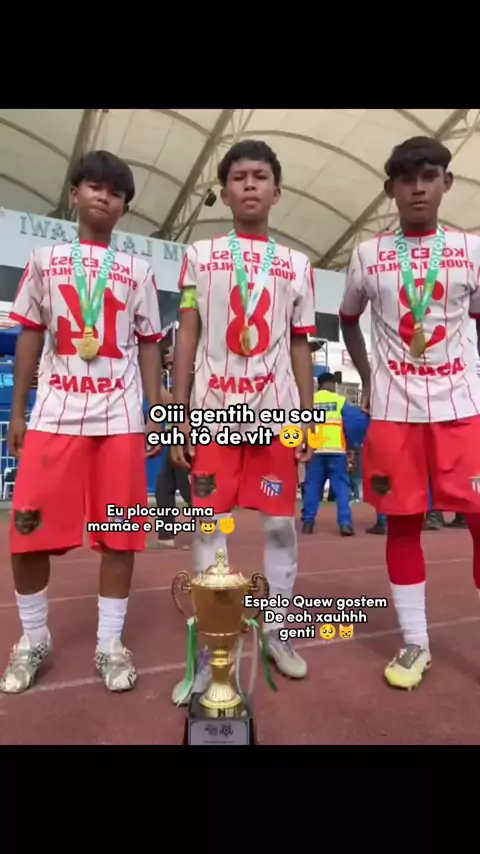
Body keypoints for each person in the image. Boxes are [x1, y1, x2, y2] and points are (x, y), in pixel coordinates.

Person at [2, 150, 165, 695]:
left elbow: (149, 345)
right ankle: (33, 639)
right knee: (27, 534)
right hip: (55, 415)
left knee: (120, 536)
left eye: (115, 192)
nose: (104, 197)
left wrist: (155, 413)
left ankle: (109, 643)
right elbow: (30, 333)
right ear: (74, 194)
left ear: (124, 208)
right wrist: (19, 411)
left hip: (119, 420)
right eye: (95, 187)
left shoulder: (139, 270)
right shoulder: (44, 260)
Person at [170, 139, 316, 703]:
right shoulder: (199, 255)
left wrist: (306, 419)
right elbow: (187, 335)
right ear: (224, 192)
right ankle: (214, 645)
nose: (250, 184)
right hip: (213, 414)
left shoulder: (298, 265)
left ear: (277, 192)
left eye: (260, 176)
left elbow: (300, 345)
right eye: (238, 176)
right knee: (210, 527)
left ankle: (277, 631)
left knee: (279, 526)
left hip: (275, 417)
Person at [340, 135, 480, 690]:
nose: (418, 188)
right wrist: (370, 377)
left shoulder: (471, 249)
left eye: (428, 177)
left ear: (447, 183)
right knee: (402, 525)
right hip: (395, 412)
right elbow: (347, 319)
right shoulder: (367, 255)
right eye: (407, 179)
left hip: (462, 409)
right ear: (390, 189)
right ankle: (415, 642)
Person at [301, 373, 354, 536]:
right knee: (342, 489)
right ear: (332, 384)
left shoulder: (310, 401)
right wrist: (352, 447)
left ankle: (308, 523)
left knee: (312, 488)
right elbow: (353, 424)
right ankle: (345, 524)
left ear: (319, 384)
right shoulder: (340, 401)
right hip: (336, 451)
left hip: (315, 451)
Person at [153, 345, 192, 549]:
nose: (167, 357)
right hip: (173, 438)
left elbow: (170, 403)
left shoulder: (190, 380)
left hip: (189, 440)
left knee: (189, 490)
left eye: (172, 353)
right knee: (164, 487)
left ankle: (209, 532)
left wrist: (155, 386)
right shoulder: (171, 379)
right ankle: (166, 536)